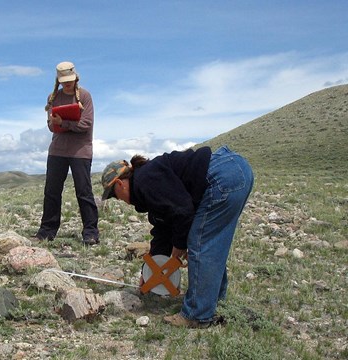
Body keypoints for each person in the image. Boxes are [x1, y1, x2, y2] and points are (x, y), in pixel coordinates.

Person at [101, 145, 253, 327]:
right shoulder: (147, 182)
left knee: (201, 245)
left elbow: (182, 211)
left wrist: (180, 245)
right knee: (211, 245)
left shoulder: (145, 181)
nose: (118, 200)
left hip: (222, 177)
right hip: (235, 171)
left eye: (115, 195)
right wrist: (151, 270)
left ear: (119, 183)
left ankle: (197, 315)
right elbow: (163, 226)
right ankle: (216, 302)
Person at [34, 61, 99, 245]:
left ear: (75, 78)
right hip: (57, 150)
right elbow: (50, 126)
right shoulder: (53, 97)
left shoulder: (85, 96)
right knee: (52, 191)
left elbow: (86, 124)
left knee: (84, 192)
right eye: (64, 81)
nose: (67, 84)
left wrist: (64, 123)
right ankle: (46, 231)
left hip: (81, 151)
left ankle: (91, 233)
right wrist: (57, 123)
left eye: (69, 80)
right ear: (59, 81)